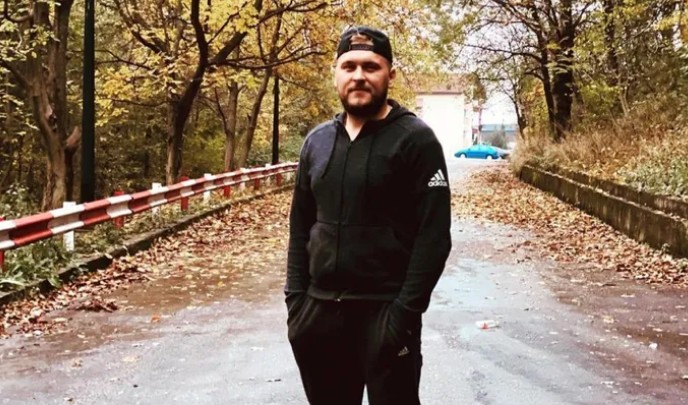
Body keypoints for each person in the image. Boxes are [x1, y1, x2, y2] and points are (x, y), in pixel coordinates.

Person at [285, 25, 451, 405]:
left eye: (371, 66)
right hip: (319, 315)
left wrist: (402, 317)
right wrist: (297, 307)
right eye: (349, 66)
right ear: (336, 74)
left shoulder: (416, 140)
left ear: (390, 74)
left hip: (385, 314)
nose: (358, 76)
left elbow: (434, 238)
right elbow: (300, 228)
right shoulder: (317, 142)